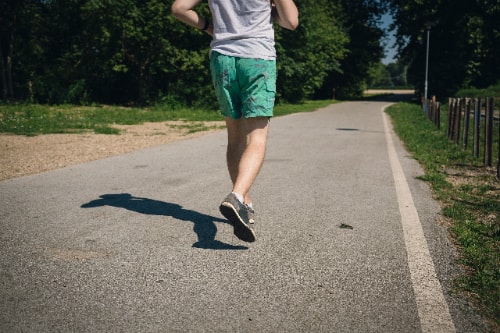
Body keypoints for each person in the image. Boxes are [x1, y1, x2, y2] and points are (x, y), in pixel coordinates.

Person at [171, 0, 299, 243]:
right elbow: (291, 21)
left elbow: (179, 8)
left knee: (235, 138)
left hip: (222, 60)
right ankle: (238, 196)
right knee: (257, 137)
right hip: (256, 58)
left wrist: (209, 25)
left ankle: (244, 204)